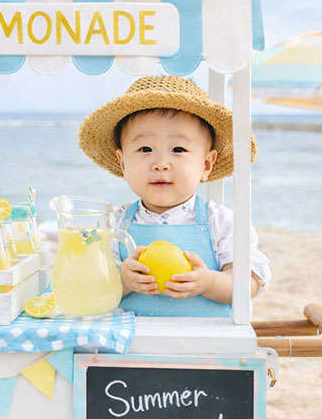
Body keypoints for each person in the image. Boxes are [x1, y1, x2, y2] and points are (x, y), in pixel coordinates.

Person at [78, 75, 271, 316]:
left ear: (206, 164)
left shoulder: (221, 223)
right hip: (132, 346)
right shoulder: (113, 225)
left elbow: (247, 284)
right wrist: (122, 282)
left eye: (178, 149)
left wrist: (209, 282)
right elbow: (90, 289)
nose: (160, 163)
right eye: (145, 149)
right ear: (122, 162)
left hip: (206, 347)